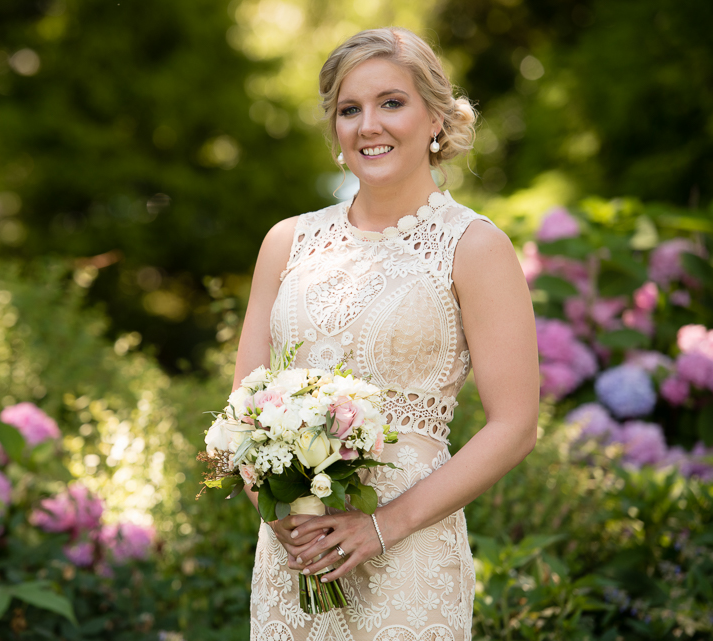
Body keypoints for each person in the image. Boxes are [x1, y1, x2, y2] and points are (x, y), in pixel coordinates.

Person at [231, 27, 540, 641]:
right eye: (350, 109)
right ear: (336, 130)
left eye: (391, 103)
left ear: (435, 119)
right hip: (298, 552)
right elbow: (245, 409)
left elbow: (516, 426)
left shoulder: (475, 247)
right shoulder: (286, 242)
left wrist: (381, 527)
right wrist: (278, 505)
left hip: (410, 554)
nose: (369, 124)